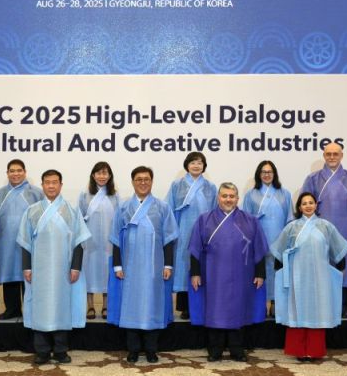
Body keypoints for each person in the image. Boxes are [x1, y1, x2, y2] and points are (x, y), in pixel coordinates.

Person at [188, 182, 268, 362]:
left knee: (238, 310)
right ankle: (215, 350)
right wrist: (195, 272)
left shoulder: (250, 220)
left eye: (232, 196)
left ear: (237, 198)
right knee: (215, 310)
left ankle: (237, 349)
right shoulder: (204, 219)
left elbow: (259, 249)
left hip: (242, 274)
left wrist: (260, 273)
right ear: (218, 198)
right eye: (224, 196)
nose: (228, 199)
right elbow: (194, 248)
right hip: (213, 274)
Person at [18, 170, 91, 365]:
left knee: (61, 308)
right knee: (40, 308)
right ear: (42, 185)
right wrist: (27, 267)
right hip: (39, 270)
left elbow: (79, 241)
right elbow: (25, 242)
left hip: (63, 271)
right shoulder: (32, 211)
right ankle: (42, 351)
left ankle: (60, 350)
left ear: (61, 185)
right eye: (47, 182)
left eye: (55, 182)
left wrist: (76, 267)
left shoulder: (71, 211)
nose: (51, 186)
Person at [108, 166, 178, 364]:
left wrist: (168, 265)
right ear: (133, 182)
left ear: (152, 181)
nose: (143, 182)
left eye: (146, 179)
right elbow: (115, 239)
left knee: (152, 306)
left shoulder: (162, 207)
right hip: (130, 267)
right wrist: (118, 266)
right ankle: (133, 349)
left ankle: (151, 349)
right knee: (131, 306)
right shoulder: (123, 208)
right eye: (139, 179)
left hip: (154, 267)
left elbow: (169, 239)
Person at [272, 192, 347, 362]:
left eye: (311, 202)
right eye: (304, 203)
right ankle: (299, 351)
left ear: (316, 205)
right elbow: (279, 251)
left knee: (318, 311)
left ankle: (314, 350)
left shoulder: (326, 226)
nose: (308, 206)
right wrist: (279, 270)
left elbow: (338, 250)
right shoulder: (291, 227)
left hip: (320, 277)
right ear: (299, 207)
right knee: (297, 311)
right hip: (296, 277)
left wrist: (341, 268)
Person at [300, 142, 347, 318]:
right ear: (324, 156)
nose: (332, 157)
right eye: (328, 154)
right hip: (319, 231)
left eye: (335, 154)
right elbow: (305, 206)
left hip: (346, 231)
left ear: (341, 155)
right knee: (320, 267)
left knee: (344, 269)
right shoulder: (312, 179)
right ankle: (319, 305)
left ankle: (343, 306)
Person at [164, 151, 217, 320]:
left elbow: (215, 212)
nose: (196, 165)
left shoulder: (211, 187)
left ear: (204, 166)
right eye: (193, 162)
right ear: (187, 165)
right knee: (183, 266)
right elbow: (169, 209)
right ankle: (185, 307)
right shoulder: (176, 185)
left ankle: (202, 305)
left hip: (204, 233)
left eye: (200, 163)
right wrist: (172, 232)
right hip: (183, 231)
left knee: (202, 266)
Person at [0, 159, 44, 320]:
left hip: (29, 242)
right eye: (12, 171)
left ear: (25, 172)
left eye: (19, 170)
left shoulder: (36, 193)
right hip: (5, 242)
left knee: (29, 274)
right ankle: (12, 309)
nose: (16, 174)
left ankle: (31, 309)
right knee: (9, 275)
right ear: (7, 173)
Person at [242, 160, 292, 317]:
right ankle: (260, 304)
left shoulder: (285, 194)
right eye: (263, 172)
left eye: (270, 172)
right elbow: (245, 220)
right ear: (258, 174)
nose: (266, 175)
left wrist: (288, 241)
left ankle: (277, 304)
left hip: (280, 240)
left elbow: (290, 219)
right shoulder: (251, 195)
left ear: (274, 174)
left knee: (278, 273)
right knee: (259, 273)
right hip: (259, 240)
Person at [77, 161, 119, 320]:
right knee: (89, 272)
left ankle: (106, 306)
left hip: (109, 242)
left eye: (105, 173)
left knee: (107, 273)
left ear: (110, 176)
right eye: (99, 173)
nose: (102, 176)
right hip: (90, 242)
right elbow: (78, 218)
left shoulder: (115, 196)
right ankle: (90, 306)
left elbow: (119, 220)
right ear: (93, 175)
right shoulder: (84, 195)